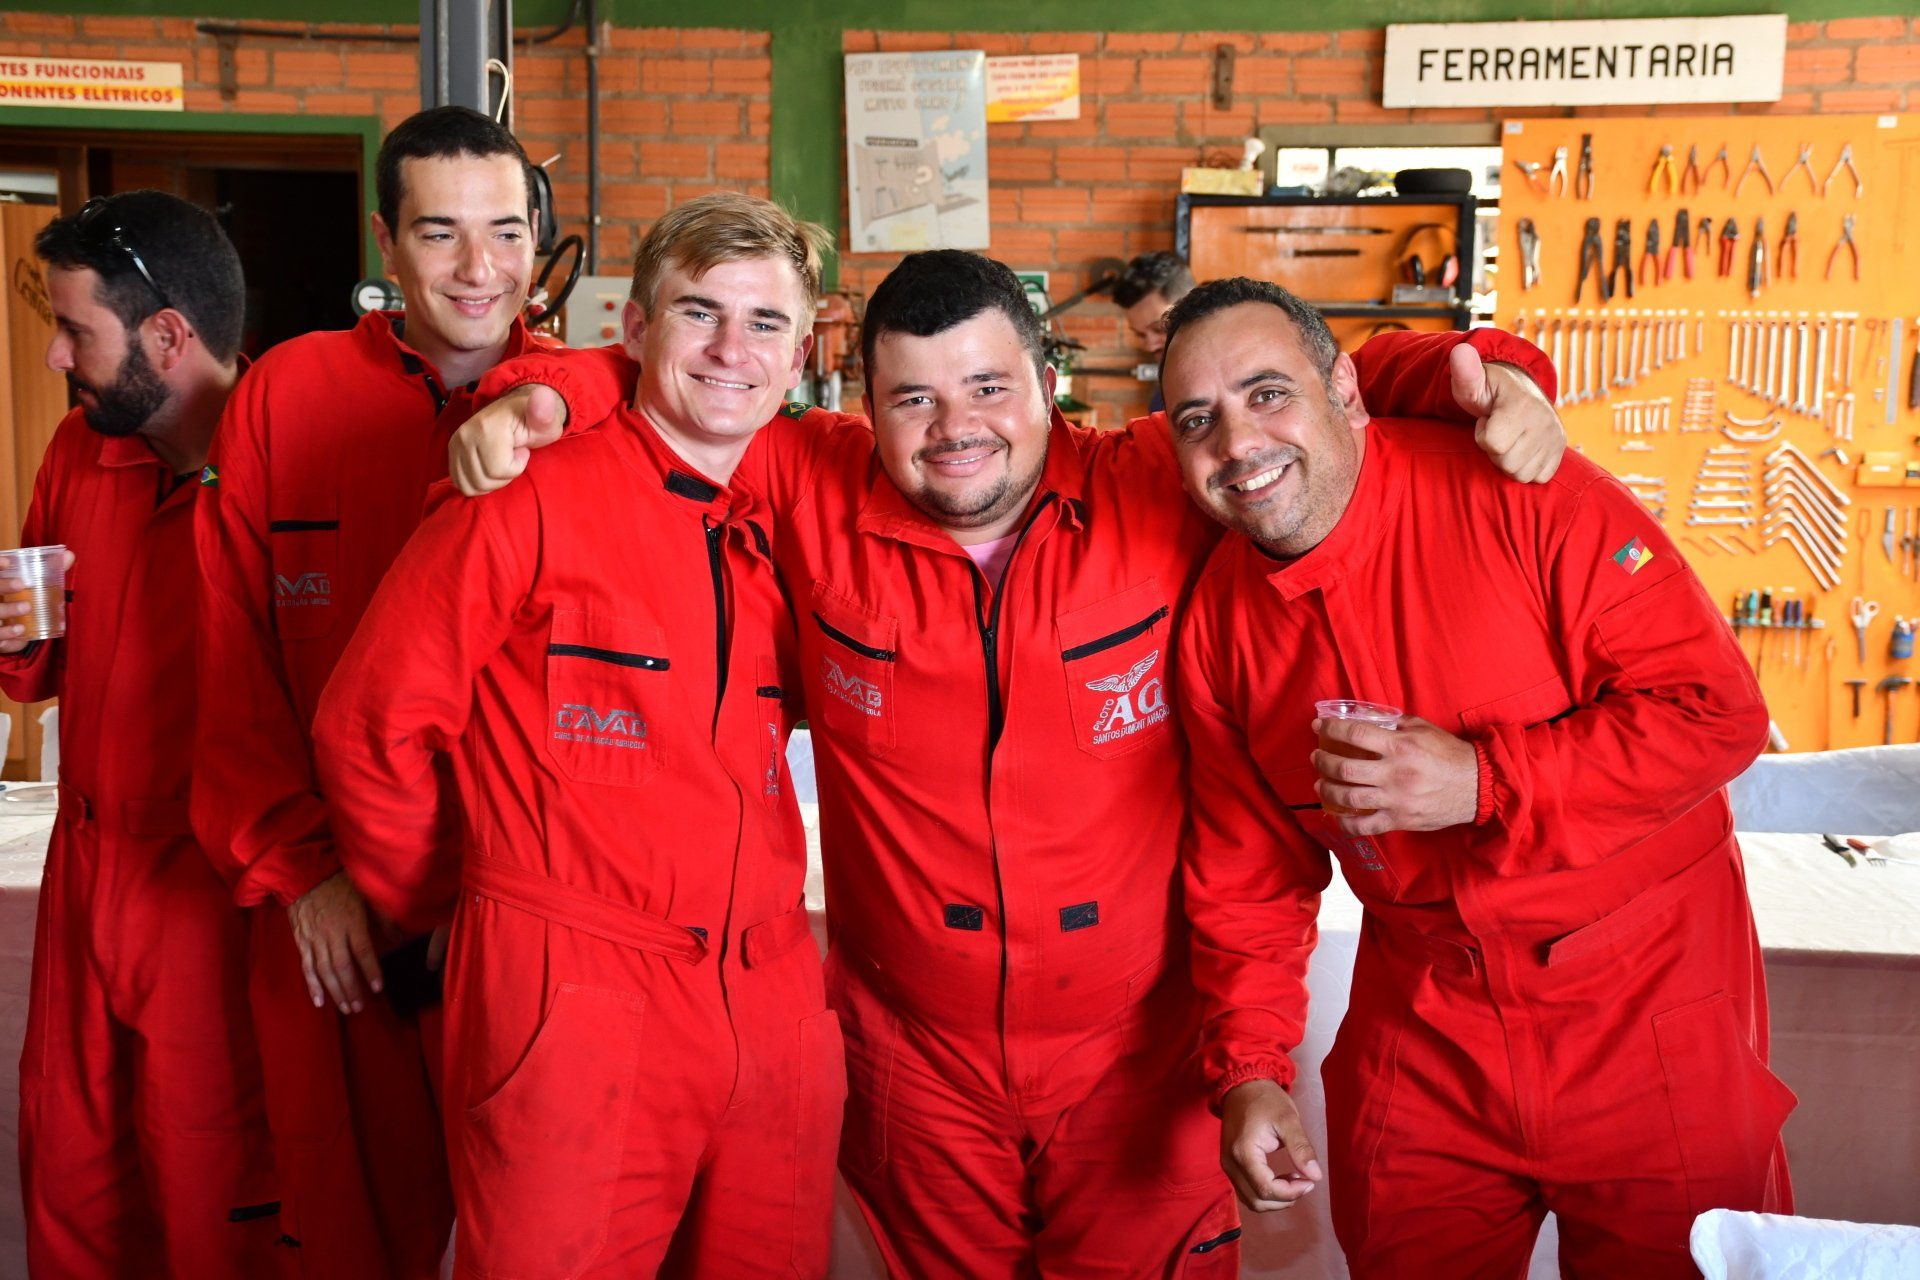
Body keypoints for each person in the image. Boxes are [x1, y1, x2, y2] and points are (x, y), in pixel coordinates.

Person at [443, 248, 1563, 1277]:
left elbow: (1319, 381)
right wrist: (539, 392)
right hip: (916, 1069)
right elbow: (675, 385)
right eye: (913, 399)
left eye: (988, 386)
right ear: (861, 407)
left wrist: (1486, 371)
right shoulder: (806, 480)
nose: (955, 429)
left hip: (1135, 1064)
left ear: (1048, 381)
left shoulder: (1155, 479)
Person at [1165, 277, 1790, 1278]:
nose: (1238, 442)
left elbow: (1715, 712)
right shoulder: (1220, 627)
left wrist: (1488, 781)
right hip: (1423, 1024)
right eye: (1198, 419)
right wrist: (1248, 1068)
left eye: (1268, 394)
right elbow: (1246, 877)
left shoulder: (1529, 495)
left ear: (1346, 390)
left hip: (1647, 1006)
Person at [311, 192, 843, 1278]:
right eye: (698, 313)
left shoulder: (789, 507)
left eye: (765, 323)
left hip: (772, 996)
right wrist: (451, 903)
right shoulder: (525, 492)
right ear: (635, 329)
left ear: (799, 355)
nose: (731, 349)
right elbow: (372, 725)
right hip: (575, 995)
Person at [191, 105, 551, 1276]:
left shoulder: (583, 405)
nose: (480, 267)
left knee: (546, 1235)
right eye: (440, 232)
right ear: (385, 240)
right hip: (338, 912)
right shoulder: (286, 396)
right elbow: (232, 656)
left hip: (524, 921)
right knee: (347, 1236)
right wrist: (304, 869)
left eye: (507, 231)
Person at [0, 191, 279, 1276]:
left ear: (167, 334)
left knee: (210, 1190)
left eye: (76, 331)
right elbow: (37, 664)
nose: (56, 357)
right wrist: (14, 638)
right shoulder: (81, 451)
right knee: (71, 1175)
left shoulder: (285, 469)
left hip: (213, 894)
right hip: (83, 871)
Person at [1111, 250, 1193, 413]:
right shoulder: (1162, 396)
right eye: (1140, 334)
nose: (1149, 346)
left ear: (1192, 308)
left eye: (1160, 328)